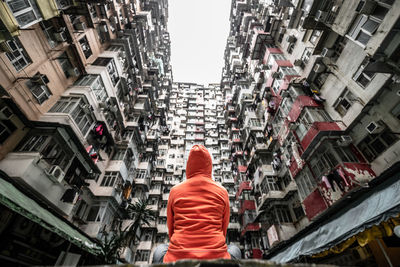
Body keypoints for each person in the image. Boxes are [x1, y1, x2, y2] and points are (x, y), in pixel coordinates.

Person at [152, 145, 241, 263]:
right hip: (216, 259)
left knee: (160, 250)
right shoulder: (222, 192)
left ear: (189, 166)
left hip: (178, 259)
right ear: (209, 166)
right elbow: (223, 230)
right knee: (235, 250)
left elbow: (171, 229)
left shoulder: (175, 191)